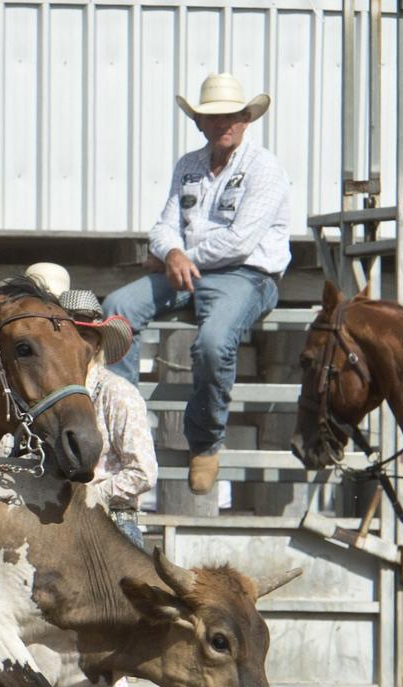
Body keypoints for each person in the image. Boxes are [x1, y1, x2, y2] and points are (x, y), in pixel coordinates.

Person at [102, 72, 290, 495]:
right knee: (116, 309)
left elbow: (241, 242)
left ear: (246, 119)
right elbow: (165, 225)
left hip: (247, 274)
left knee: (213, 342)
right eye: (214, 116)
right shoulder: (188, 166)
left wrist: (178, 257)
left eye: (233, 116)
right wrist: (171, 252)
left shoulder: (265, 169)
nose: (224, 123)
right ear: (199, 122)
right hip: (187, 271)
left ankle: (205, 442)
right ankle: (122, 431)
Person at [0, 263, 154, 687]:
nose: (80, 346)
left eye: (86, 339)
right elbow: (6, 451)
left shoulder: (117, 395)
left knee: (94, 655)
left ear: (95, 346)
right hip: (49, 532)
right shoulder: (36, 402)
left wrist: (88, 495)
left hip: (109, 533)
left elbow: (143, 472)